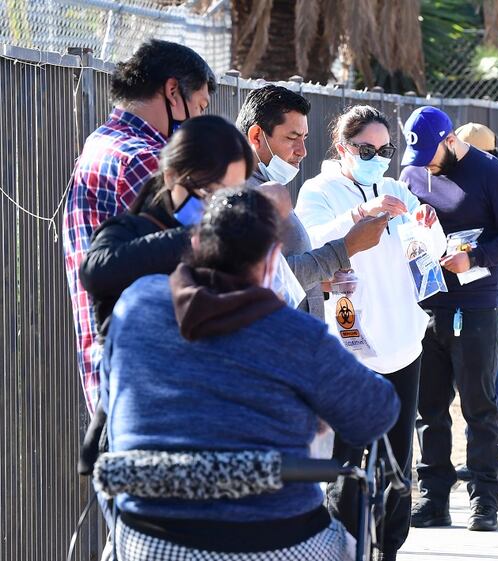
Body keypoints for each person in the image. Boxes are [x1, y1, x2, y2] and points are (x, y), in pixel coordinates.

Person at [101, 187, 400, 560]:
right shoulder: (295, 332)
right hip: (278, 541)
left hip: (149, 541)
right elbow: (376, 411)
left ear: (193, 245)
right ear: (273, 262)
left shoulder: (136, 302)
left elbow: (113, 399)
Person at [295, 105, 443, 560]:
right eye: (366, 149)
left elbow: (428, 251)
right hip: (349, 348)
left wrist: (429, 228)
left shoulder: (396, 188)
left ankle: (390, 546)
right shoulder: (319, 190)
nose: (377, 158)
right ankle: (343, 547)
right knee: (348, 460)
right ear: (342, 147)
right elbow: (310, 243)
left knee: (398, 460)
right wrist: (360, 213)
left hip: (403, 341)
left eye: (385, 150)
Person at [399, 106, 498, 532]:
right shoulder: (413, 172)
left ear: (451, 140)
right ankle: (433, 498)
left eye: (432, 157)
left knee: (479, 405)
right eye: (419, 160)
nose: (426, 167)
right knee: (429, 409)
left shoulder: (493, 173)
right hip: (426, 303)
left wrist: (475, 257)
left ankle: (484, 500)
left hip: (476, 305)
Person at [63, 39, 214, 413]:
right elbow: (210, 250)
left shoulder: (102, 142)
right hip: (150, 378)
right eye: (200, 108)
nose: (198, 124)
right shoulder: (145, 161)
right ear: (172, 92)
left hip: (116, 372)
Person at [80, 116, 253, 337]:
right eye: (209, 192)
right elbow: (94, 271)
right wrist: (196, 240)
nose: (218, 206)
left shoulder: (232, 239)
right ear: (171, 177)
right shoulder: (129, 229)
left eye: (230, 196)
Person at [236, 85, 387, 322]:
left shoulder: (263, 184)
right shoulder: (243, 194)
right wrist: (346, 247)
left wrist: (320, 281)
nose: (302, 151)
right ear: (256, 136)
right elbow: (272, 277)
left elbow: (288, 277)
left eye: (304, 138)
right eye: (292, 138)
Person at [455, 122, 498, 466]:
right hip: (483, 296)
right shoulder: (496, 176)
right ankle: (489, 449)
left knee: (489, 376)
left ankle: (492, 450)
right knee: (484, 376)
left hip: (495, 296)